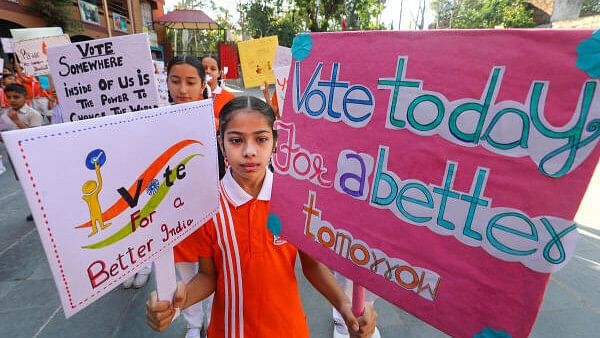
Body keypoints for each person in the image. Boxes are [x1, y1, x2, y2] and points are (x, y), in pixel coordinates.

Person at [146, 96, 377, 338]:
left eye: (261, 139)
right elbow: (208, 275)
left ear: (275, 142)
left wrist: (344, 304)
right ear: (221, 143)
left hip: (289, 328)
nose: (249, 151)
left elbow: (312, 264)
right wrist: (175, 302)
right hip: (229, 330)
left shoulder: (293, 199)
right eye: (236, 140)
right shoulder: (210, 206)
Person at [167, 55, 214, 338]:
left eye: (190, 82)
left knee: (213, 272)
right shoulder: (152, 121)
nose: (182, 89)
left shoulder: (217, 120)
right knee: (185, 274)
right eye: (175, 81)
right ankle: (194, 324)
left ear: (202, 84)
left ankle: (215, 318)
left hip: (209, 210)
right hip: (172, 213)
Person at [201, 55, 235, 127]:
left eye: (213, 69)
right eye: (204, 68)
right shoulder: (192, 96)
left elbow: (233, 124)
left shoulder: (230, 98)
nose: (208, 71)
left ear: (219, 73)